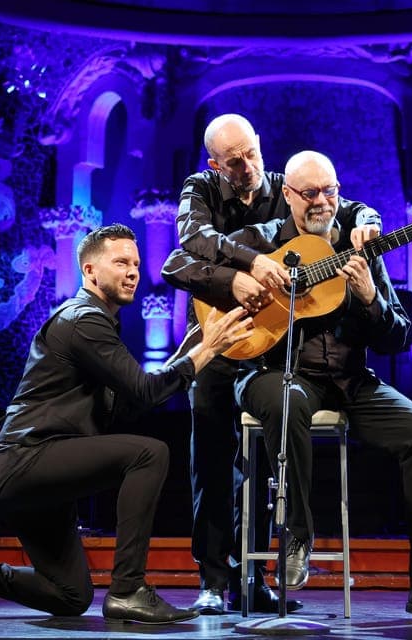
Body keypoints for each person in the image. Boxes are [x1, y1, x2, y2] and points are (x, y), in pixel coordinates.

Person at [172, 149, 412, 623]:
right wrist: (241, 277)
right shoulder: (259, 239)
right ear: (288, 196)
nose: (322, 202)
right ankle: (297, 534)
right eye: (310, 193)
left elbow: (399, 336)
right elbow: (183, 263)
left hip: (349, 381)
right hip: (273, 374)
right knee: (288, 399)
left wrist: (371, 298)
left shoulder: (361, 245)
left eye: (330, 191)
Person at [0, 223, 253, 625]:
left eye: (137, 263)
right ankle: (128, 589)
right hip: (27, 462)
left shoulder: (98, 322)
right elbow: (145, 391)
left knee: (69, 594)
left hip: (37, 476)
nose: (133, 271)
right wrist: (206, 348)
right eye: (120, 261)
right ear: (89, 271)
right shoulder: (83, 319)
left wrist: (192, 349)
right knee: (149, 454)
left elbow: (129, 405)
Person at [160, 114, 381, 615]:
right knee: (213, 461)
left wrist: (369, 218)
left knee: (262, 467)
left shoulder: (286, 188)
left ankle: (254, 579)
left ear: (260, 145)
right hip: (220, 338)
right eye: (233, 162)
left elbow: (346, 206)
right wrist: (241, 273)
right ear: (215, 164)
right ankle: (214, 578)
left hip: (273, 346)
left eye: (251, 154)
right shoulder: (201, 189)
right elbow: (184, 251)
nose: (246, 167)